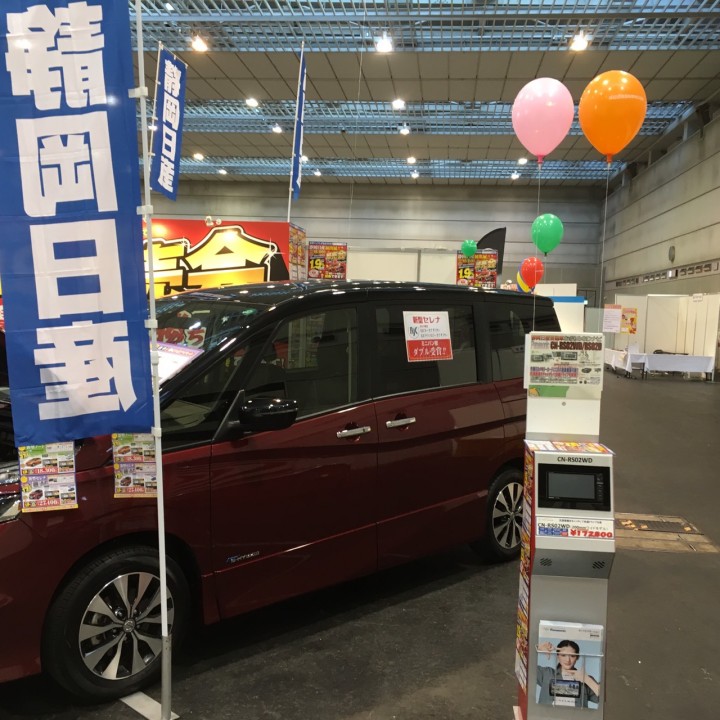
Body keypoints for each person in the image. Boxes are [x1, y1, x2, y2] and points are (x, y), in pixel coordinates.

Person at [536, 639, 600, 708]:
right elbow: (527, 667)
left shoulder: (586, 679)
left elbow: (605, 699)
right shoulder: (546, 673)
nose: (567, 660)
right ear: (558, 656)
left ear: (577, 657)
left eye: (572, 656)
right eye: (563, 655)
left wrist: (587, 679)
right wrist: (538, 647)